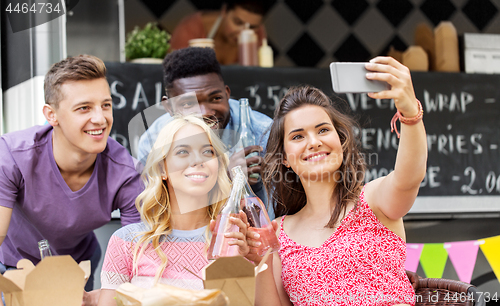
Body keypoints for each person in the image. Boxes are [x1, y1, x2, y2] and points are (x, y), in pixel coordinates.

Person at [251, 57, 427, 306]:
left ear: (341, 141)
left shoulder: (373, 201)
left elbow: (410, 178)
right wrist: (262, 260)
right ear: (285, 159)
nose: (313, 141)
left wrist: (410, 113)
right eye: (298, 136)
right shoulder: (277, 232)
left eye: (323, 130)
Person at [0, 55, 142, 298]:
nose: (100, 118)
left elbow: (138, 261)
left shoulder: (126, 174)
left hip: (77, 268)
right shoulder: (13, 156)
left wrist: (109, 296)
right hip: (14, 266)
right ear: (51, 114)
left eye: (106, 105)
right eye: (84, 108)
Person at [97, 115, 250, 305]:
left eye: (208, 152)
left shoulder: (236, 241)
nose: (197, 160)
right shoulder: (126, 242)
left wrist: (245, 261)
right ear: (162, 169)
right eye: (183, 151)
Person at [136, 47, 273, 215]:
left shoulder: (262, 134)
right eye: (188, 103)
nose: (205, 112)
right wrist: (226, 180)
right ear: (169, 107)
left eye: (215, 98)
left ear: (227, 94)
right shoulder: (153, 142)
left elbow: (274, 217)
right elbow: (158, 215)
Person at [169, 0, 268, 65]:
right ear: (224, 11)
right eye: (237, 23)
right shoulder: (191, 27)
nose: (243, 33)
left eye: (252, 27)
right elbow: (173, 69)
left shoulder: (258, 34)